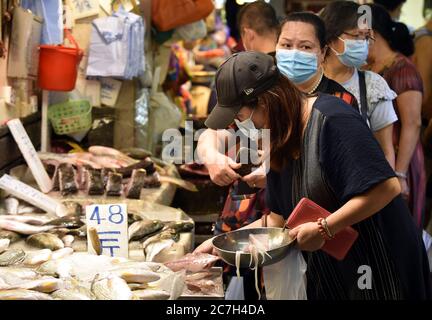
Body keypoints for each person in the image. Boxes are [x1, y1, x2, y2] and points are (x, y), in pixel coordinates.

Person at [195, 51, 431, 300]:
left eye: (240, 116)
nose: (241, 124)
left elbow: (386, 188)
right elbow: (277, 221)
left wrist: (325, 228)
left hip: (380, 261)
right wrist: (221, 243)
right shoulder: (281, 138)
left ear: (264, 102)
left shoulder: (333, 119)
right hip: (335, 271)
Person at [366, 4, 426, 229]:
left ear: (372, 33)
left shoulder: (403, 70)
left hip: (402, 160)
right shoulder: (370, 67)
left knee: (401, 228)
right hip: (380, 160)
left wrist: (400, 174)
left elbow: (413, 123)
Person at [320, 1, 398, 169]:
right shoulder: (308, 80)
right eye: (356, 36)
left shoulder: (373, 85)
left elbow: (385, 151)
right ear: (332, 38)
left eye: (365, 36)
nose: (363, 43)